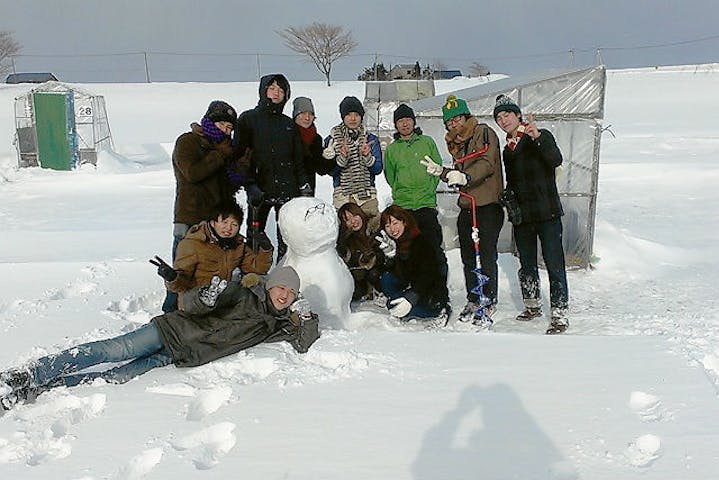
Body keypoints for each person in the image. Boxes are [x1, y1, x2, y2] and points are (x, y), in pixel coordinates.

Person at [0, 267, 320, 413]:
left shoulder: (274, 325)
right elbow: (190, 304)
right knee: (109, 350)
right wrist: (205, 298)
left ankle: (39, 390)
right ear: (271, 286)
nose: (284, 295)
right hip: (169, 330)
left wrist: (307, 317)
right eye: (281, 288)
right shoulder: (241, 295)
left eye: (291, 293)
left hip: (179, 354)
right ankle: (29, 373)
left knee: (113, 378)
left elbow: (303, 343)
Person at [423, 95, 504, 324]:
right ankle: (474, 298)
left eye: (457, 118)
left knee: (486, 255)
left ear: (466, 117)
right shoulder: (456, 143)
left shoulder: (483, 132)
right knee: (468, 255)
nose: (454, 124)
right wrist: (441, 172)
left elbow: (486, 163)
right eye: (449, 122)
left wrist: (465, 176)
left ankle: (488, 299)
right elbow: (458, 176)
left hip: (487, 206)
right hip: (468, 207)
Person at [493, 94, 569, 334]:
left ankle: (559, 313)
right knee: (526, 264)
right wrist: (508, 195)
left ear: (518, 115)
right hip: (523, 216)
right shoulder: (508, 149)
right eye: (499, 117)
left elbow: (555, 159)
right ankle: (532, 305)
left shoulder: (540, 135)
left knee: (554, 263)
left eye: (507, 115)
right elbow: (514, 179)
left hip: (547, 213)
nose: (503, 120)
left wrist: (537, 137)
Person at [164, 100, 238, 313]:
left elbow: (226, 186)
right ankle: (171, 309)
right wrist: (219, 155)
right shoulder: (188, 142)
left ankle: (199, 306)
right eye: (222, 124)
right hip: (189, 215)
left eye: (229, 128)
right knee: (181, 266)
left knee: (208, 266)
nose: (226, 130)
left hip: (214, 219)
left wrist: (239, 170)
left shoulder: (223, 149)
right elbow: (192, 173)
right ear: (209, 121)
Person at [231, 74, 312, 262]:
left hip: (287, 189)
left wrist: (304, 185)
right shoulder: (248, 119)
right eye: (272, 88)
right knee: (255, 235)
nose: (276, 93)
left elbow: (297, 159)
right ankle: (253, 275)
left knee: (287, 237)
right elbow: (239, 157)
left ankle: (284, 275)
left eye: (281, 90)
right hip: (260, 190)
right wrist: (250, 185)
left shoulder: (288, 124)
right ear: (263, 90)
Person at [152, 202, 273, 311]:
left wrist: (266, 249)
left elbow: (257, 268)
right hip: (195, 304)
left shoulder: (237, 245)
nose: (229, 228)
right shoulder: (192, 244)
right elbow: (181, 285)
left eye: (234, 224)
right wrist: (172, 278)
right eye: (224, 222)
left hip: (220, 301)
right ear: (213, 223)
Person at [383, 103, 449, 281]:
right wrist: (400, 189)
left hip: (425, 205)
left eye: (408, 120)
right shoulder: (392, 149)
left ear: (414, 122)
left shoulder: (427, 142)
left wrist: (428, 188)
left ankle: (440, 295)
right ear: (396, 125)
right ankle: (411, 291)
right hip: (403, 208)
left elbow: (437, 169)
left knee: (433, 249)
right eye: (400, 121)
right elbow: (390, 175)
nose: (405, 124)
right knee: (406, 252)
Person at [377, 205, 449, 325]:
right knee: (387, 281)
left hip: (428, 290)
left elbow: (428, 274)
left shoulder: (421, 240)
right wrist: (391, 257)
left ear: (404, 222)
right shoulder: (389, 243)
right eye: (388, 225)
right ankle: (401, 304)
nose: (392, 229)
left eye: (395, 223)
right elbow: (396, 274)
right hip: (410, 287)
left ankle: (439, 310)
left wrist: (412, 297)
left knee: (402, 308)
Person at [323, 96, 383, 232]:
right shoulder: (332, 140)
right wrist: (342, 158)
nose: (353, 118)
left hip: (366, 196)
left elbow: (378, 169)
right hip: (343, 196)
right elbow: (330, 171)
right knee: (347, 234)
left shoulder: (371, 139)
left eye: (356, 114)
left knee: (371, 232)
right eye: (348, 114)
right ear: (343, 117)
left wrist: (367, 156)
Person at [336, 201, 385, 302]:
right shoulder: (349, 238)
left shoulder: (376, 227)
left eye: (354, 216)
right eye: (347, 220)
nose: (353, 221)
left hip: (382, 271)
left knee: (374, 274)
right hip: (363, 278)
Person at [292, 96, 335, 193]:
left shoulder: (316, 139)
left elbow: (321, 169)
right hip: (288, 192)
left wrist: (328, 158)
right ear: (295, 115)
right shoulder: (287, 134)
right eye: (302, 113)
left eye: (310, 114)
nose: (307, 118)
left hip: (308, 192)